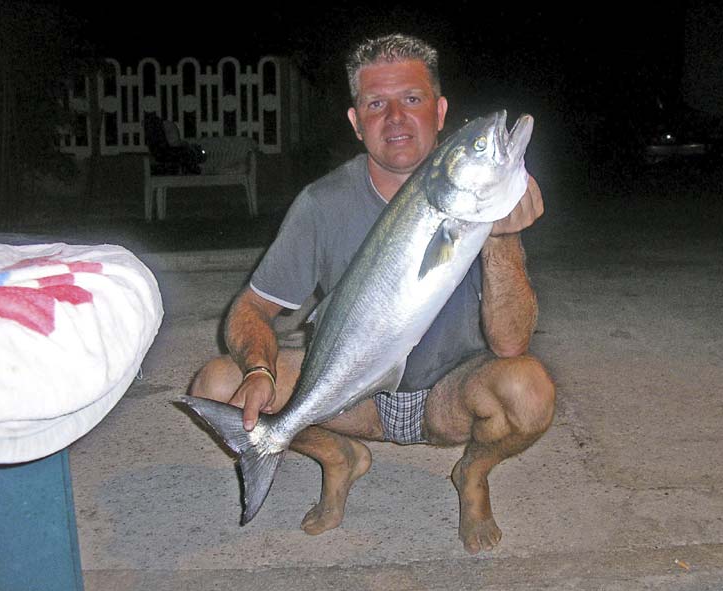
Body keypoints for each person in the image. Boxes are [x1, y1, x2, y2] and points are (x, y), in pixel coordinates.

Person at [190, 33, 555, 554]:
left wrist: (503, 237)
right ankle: (337, 456)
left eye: (412, 99)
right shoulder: (322, 204)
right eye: (376, 104)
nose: (396, 117)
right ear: (356, 122)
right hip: (352, 395)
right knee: (218, 384)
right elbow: (250, 307)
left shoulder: (477, 204)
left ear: (440, 112)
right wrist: (259, 371)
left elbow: (511, 343)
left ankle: (472, 473)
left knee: (529, 391)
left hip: (450, 395)